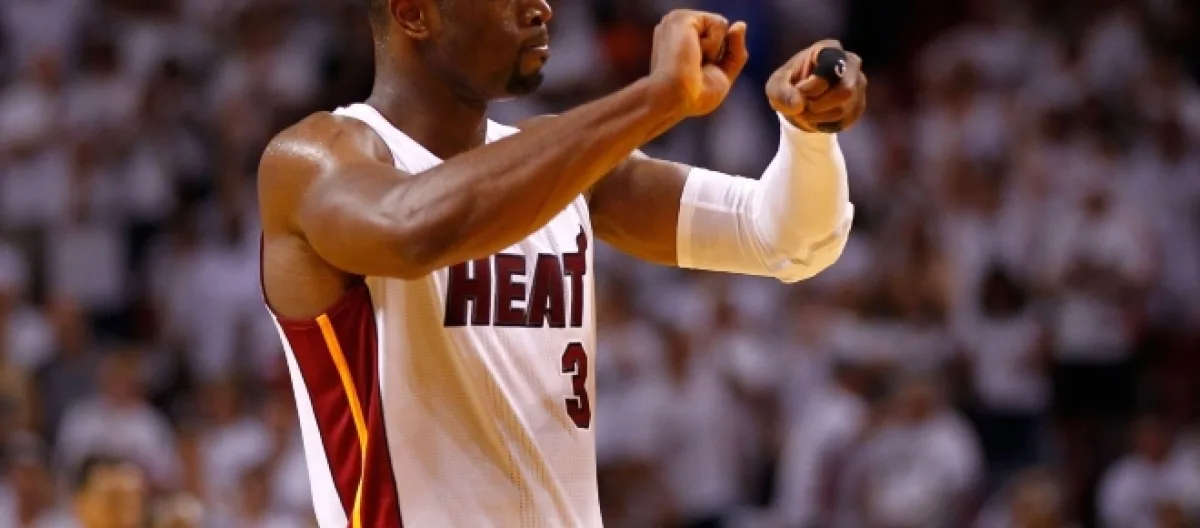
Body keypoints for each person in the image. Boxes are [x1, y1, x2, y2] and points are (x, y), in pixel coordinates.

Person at [257, 1, 867, 526]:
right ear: (414, 13)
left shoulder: (564, 165)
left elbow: (785, 238)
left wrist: (809, 133)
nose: (542, 6)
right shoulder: (313, 159)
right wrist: (655, 99)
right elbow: (412, 230)